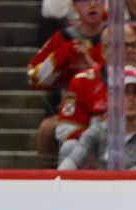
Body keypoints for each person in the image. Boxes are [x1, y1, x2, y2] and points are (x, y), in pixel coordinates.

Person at [56, 24, 136, 144]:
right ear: (104, 51)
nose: (130, 51)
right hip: (93, 153)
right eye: (122, 46)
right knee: (70, 147)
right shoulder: (81, 83)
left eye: (134, 45)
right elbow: (67, 129)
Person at [29, 0, 105, 166]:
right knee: (46, 129)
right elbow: (33, 79)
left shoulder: (116, 36)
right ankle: (50, 179)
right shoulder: (62, 38)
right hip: (71, 111)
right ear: (75, 6)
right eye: (85, 1)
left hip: (108, 110)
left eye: (98, 0)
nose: (92, 5)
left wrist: (92, 66)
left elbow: (132, 73)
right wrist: (60, 58)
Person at [57, 66, 136, 170]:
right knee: (70, 147)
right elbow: (76, 155)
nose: (131, 98)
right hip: (105, 190)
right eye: (124, 93)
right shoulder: (100, 129)